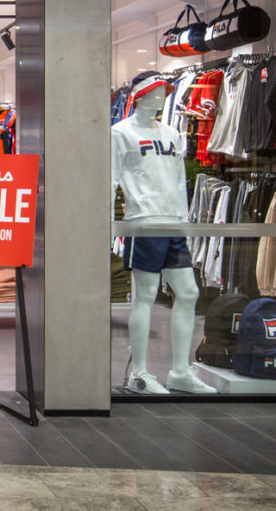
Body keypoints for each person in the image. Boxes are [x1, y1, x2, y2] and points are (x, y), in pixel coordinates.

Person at [112, 72, 216, 394]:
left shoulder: (171, 133)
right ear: (139, 96)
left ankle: (180, 372)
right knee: (145, 296)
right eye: (155, 93)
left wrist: (184, 219)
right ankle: (140, 373)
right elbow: (110, 179)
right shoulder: (120, 132)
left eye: (164, 93)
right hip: (144, 222)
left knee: (188, 292)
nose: (160, 99)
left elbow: (178, 179)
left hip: (172, 222)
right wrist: (107, 225)